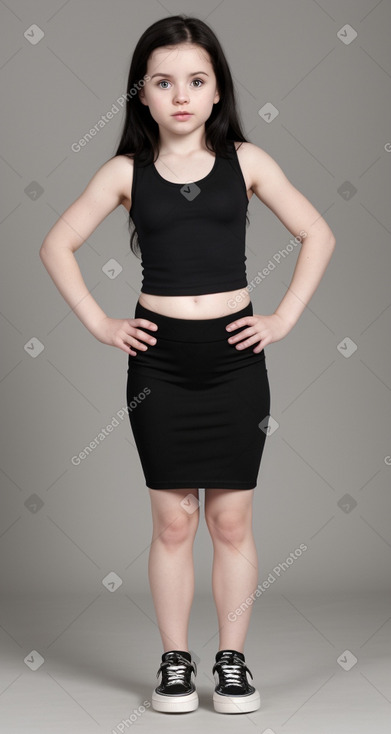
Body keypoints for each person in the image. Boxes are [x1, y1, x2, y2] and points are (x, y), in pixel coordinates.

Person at [39, 14, 336, 716]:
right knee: (172, 522)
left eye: (195, 81)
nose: (180, 95)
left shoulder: (248, 161)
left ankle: (230, 661)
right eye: (163, 81)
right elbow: (57, 244)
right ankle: (175, 661)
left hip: (235, 360)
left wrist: (284, 317)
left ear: (215, 92)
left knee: (231, 522)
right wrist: (99, 322)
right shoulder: (124, 172)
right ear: (141, 94)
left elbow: (316, 231)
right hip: (161, 366)